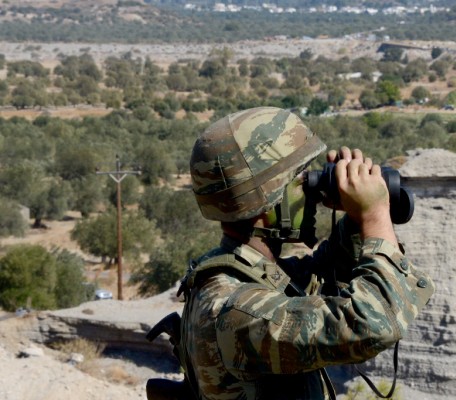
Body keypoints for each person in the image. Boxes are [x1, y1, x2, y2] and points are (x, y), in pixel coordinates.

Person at [156, 106, 434, 400]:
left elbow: (320, 274)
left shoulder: (243, 272)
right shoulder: (235, 309)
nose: (313, 189)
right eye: (301, 178)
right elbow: (371, 324)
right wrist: (374, 215)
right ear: (268, 200)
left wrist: (354, 221)